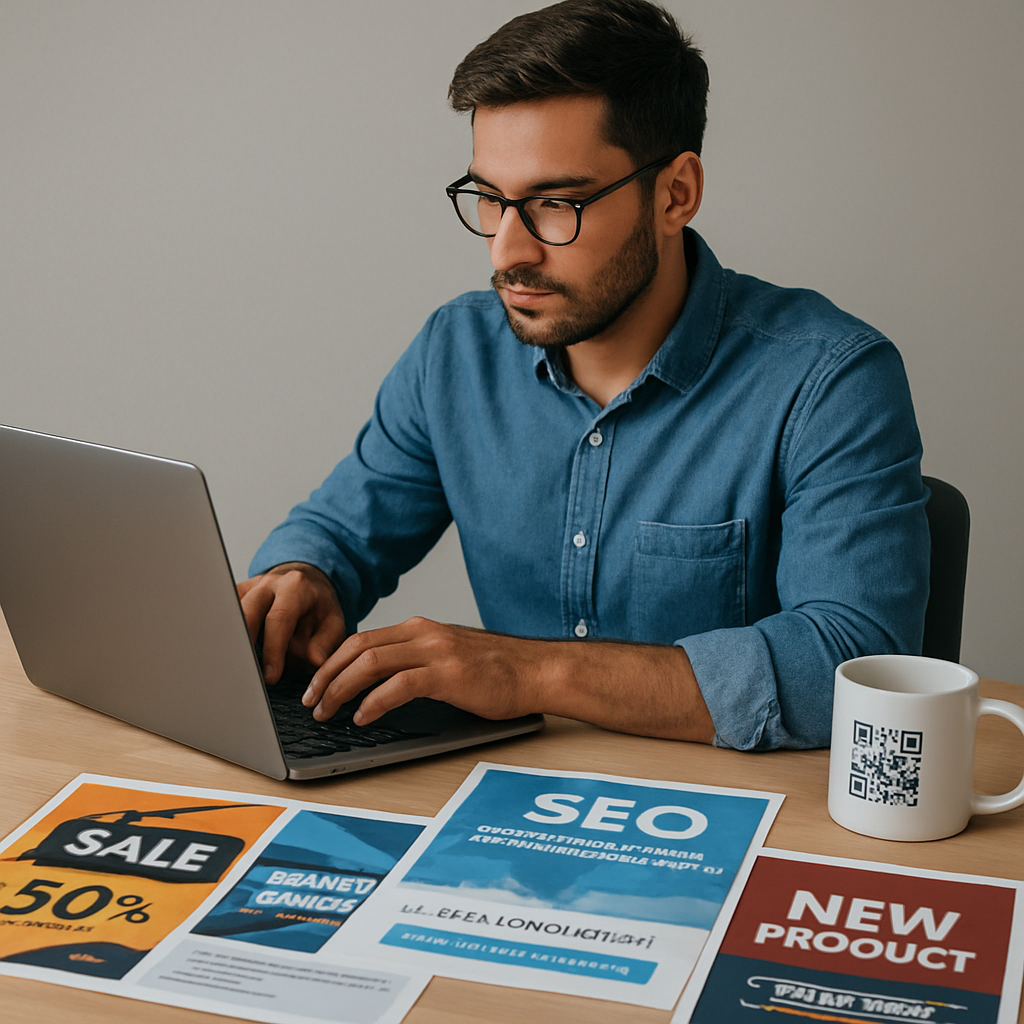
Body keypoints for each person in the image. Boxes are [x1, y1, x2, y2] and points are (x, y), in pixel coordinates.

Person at [237, 0, 929, 751]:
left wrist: (531, 673)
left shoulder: (829, 380)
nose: (508, 251)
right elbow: (339, 528)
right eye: (490, 199)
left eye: (555, 203)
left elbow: (856, 667)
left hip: (727, 818)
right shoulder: (456, 352)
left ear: (676, 193)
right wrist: (302, 574)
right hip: (500, 799)